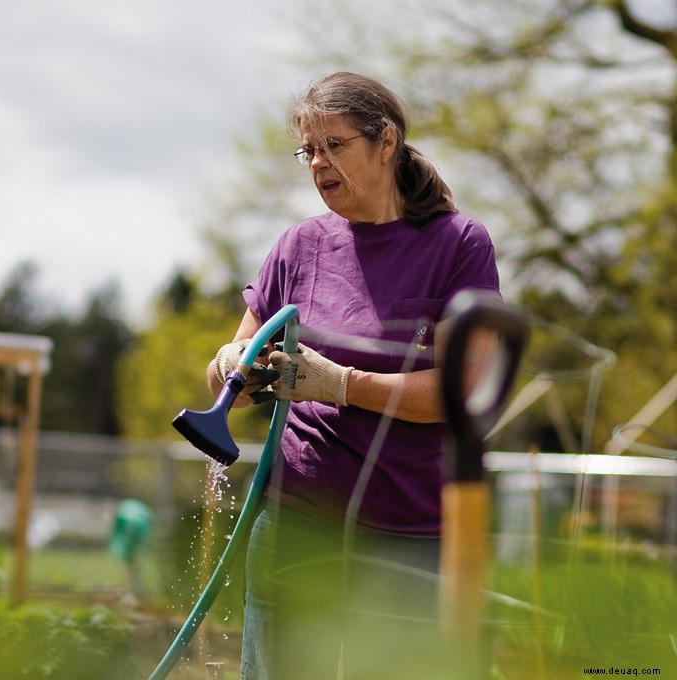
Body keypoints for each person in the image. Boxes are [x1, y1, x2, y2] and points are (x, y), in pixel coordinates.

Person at [206, 71, 500, 680]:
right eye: (309, 151)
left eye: (335, 145)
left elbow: (464, 392)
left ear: (385, 142)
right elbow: (228, 377)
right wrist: (230, 365)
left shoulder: (458, 245)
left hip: (407, 529)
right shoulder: (298, 247)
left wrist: (340, 384)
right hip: (297, 519)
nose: (318, 164)